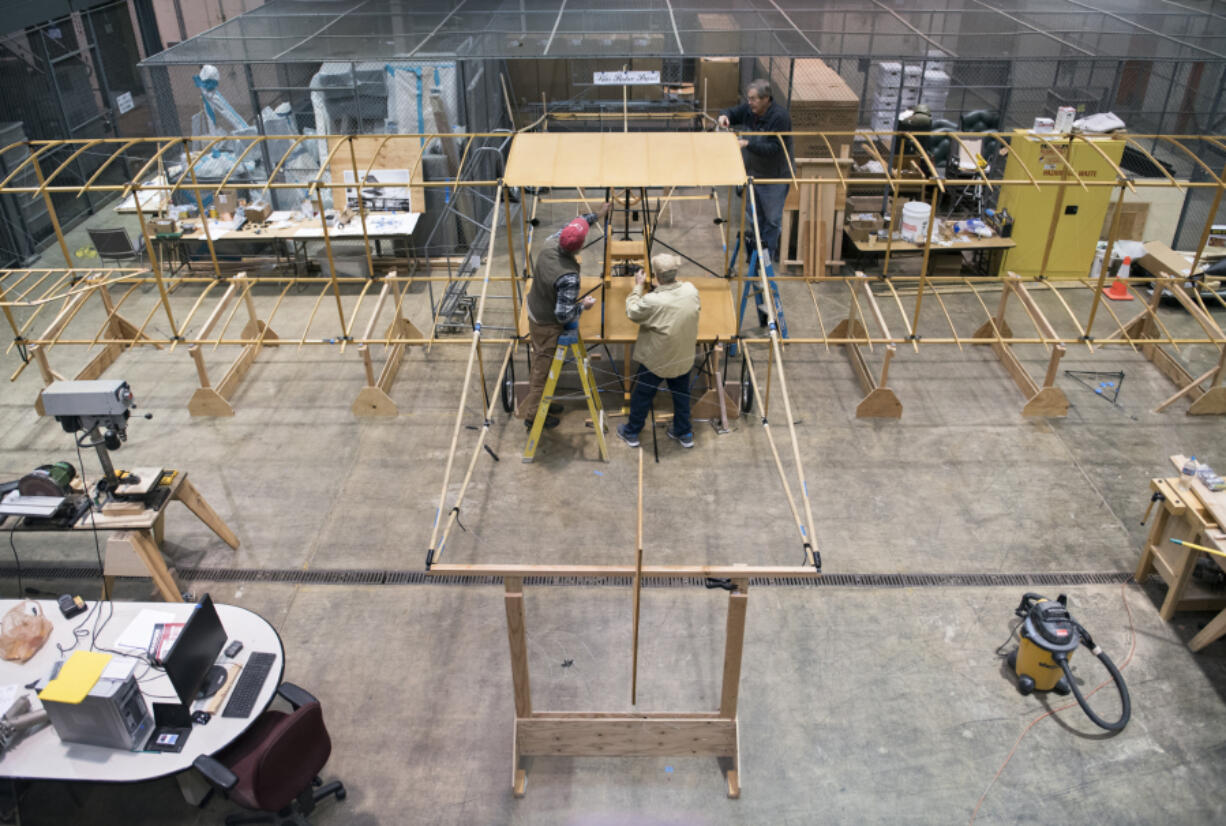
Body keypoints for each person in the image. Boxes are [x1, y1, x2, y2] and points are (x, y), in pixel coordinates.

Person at [522, 202, 612, 429]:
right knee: (542, 369)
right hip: (546, 323)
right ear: (578, 249)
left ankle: (544, 403)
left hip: (535, 306)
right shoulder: (568, 277)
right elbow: (562, 315)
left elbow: (573, 227)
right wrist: (584, 306)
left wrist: (597, 215)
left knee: (545, 362)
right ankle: (533, 418)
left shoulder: (550, 243)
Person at [616, 254, 701, 450]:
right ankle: (684, 432)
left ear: (656, 276)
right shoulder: (690, 290)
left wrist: (638, 286)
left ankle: (632, 432)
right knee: (681, 396)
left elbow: (633, 311)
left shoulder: (653, 301)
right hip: (683, 356)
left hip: (657, 359)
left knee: (642, 396)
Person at [718, 79, 793, 263]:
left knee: (772, 220)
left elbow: (775, 148)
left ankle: (765, 259)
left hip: (773, 178)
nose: (749, 102)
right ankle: (756, 255)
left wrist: (748, 144)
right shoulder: (750, 111)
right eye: (749, 98)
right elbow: (731, 112)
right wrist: (724, 116)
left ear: (766, 98)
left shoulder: (779, 117)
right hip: (752, 175)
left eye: (753, 99)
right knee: (754, 218)